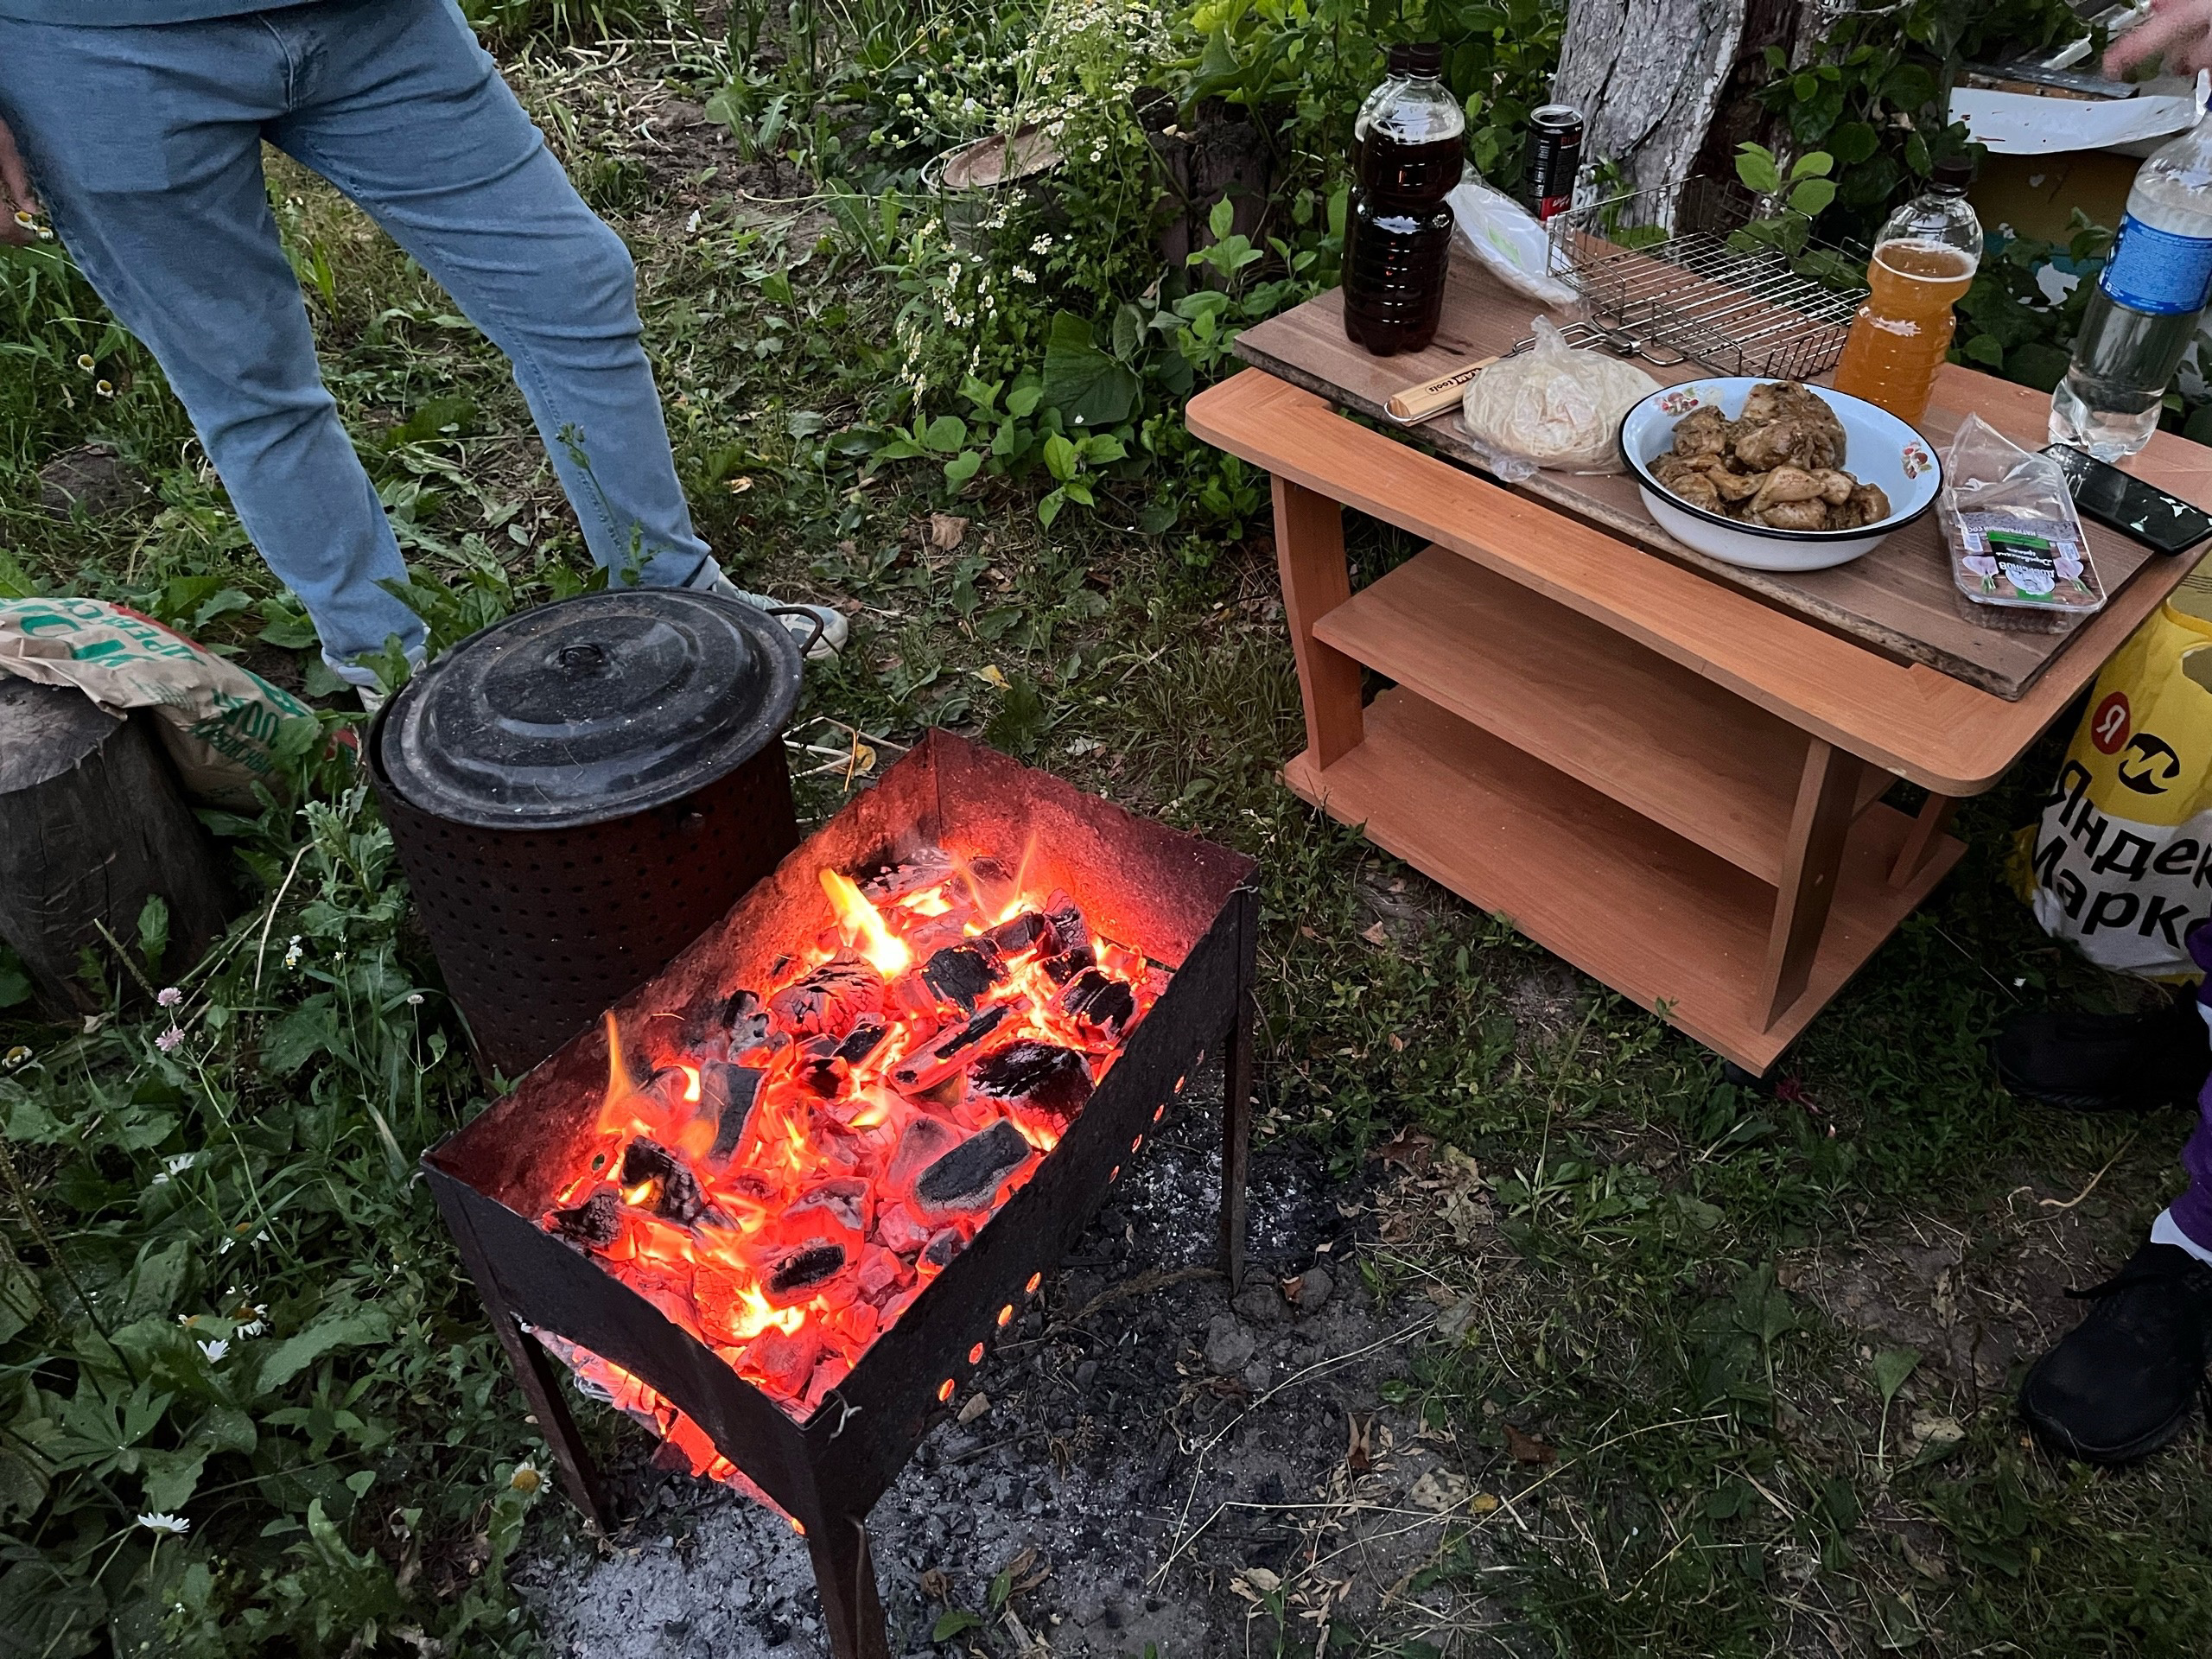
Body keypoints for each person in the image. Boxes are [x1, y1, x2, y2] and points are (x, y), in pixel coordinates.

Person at [0, 0, 845, 708]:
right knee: (249, 387)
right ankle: (395, 682)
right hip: (98, 55)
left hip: (374, 22)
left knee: (570, 282)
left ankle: (674, 592)